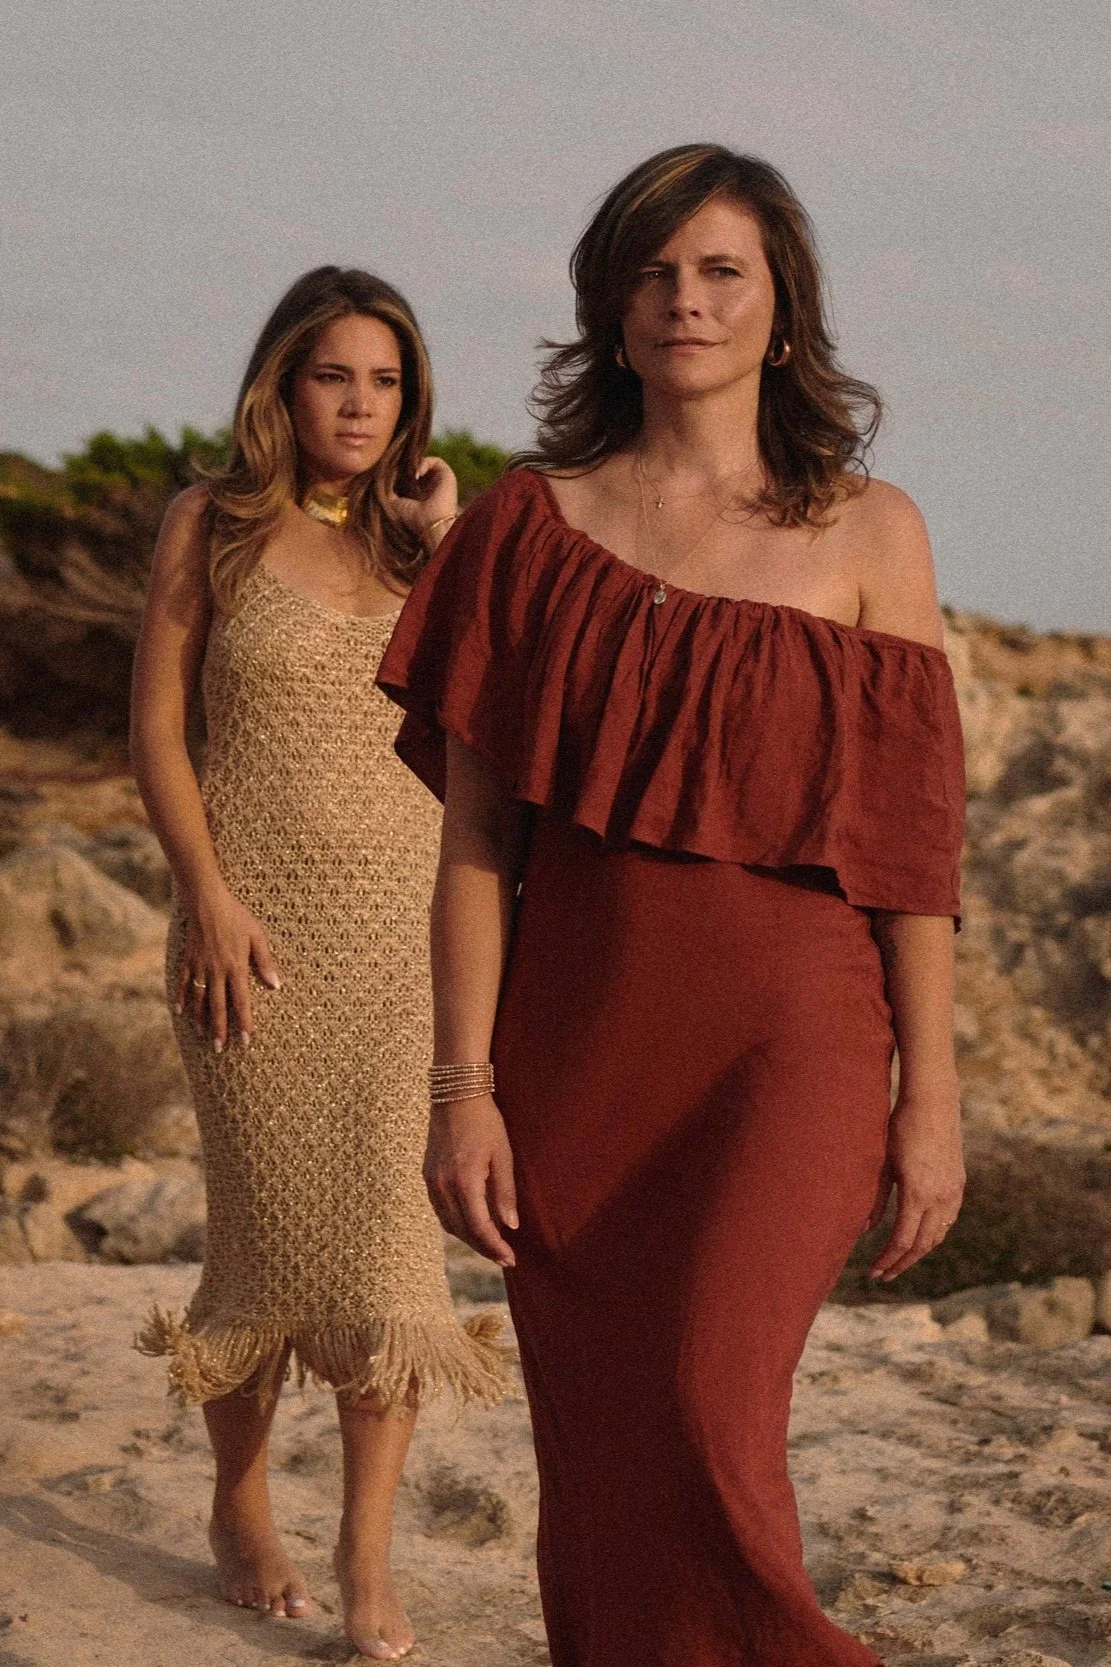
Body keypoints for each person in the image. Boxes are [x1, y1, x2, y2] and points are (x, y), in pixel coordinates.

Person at [377, 145, 966, 1666]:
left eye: (719, 271)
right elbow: (474, 846)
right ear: (609, 306)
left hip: (793, 1043)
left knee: (709, 1403)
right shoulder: (525, 528)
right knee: (606, 1458)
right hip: (577, 1055)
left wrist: (932, 1101)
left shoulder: (868, 531)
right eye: (651, 272)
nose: (682, 300)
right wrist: (462, 1089)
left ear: (781, 314)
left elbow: (908, 852)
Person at [130, 265, 510, 1663]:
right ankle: (239, 1500)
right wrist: (206, 895)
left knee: (387, 1246)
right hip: (252, 937)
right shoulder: (212, 525)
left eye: (386, 380)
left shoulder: (426, 552)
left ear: (413, 402)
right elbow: (160, 731)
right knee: (266, 1230)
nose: (359, 403)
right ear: (284, 384)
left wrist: (452, 536)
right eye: (334, 374)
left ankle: (365, 1547)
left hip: (410, 945)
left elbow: (497, 722)